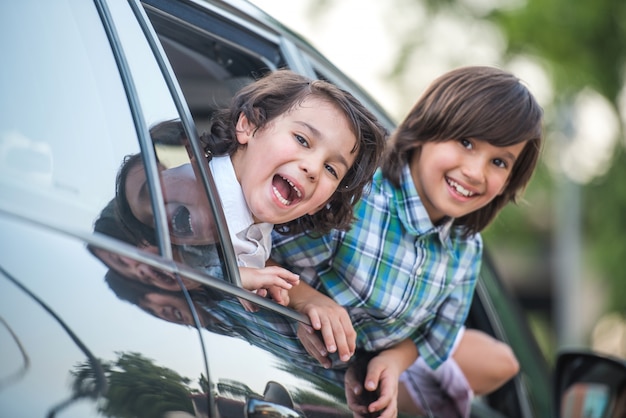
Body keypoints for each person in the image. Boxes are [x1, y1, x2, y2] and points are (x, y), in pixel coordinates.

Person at [270, 66, 542, 417]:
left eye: (499, 162)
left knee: (504, 361)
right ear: (425, 131)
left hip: (344, 389)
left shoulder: (465, 249)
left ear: (508, 183)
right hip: (281, 362)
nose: (476, 172)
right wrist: (308, 300)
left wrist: (395, 362)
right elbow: (255, 255)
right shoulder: (359, 197)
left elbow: (434, 334)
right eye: (466, 142)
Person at [116, 69, 387, 307]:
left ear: (320, 203)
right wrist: (235, 276)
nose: (314, 168)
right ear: (248, 126)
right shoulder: (191, 189)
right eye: (302, 140)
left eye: (331, 169)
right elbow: (162, 259)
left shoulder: (261, 237)